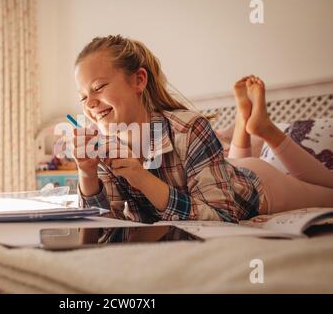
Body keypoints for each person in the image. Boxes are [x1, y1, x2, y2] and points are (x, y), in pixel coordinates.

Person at [70, 35, 333, 241]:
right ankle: (246, 122)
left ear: (138, 81)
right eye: (83, 97)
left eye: (99, 87)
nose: (90, 102)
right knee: (229, 163)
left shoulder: (189, 128)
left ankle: (264, 128)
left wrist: (141, 177)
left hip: (257, 185)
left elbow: (221, 217)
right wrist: (87, 176)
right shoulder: (105, 148)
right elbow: (108, 230)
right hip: (223, 174)